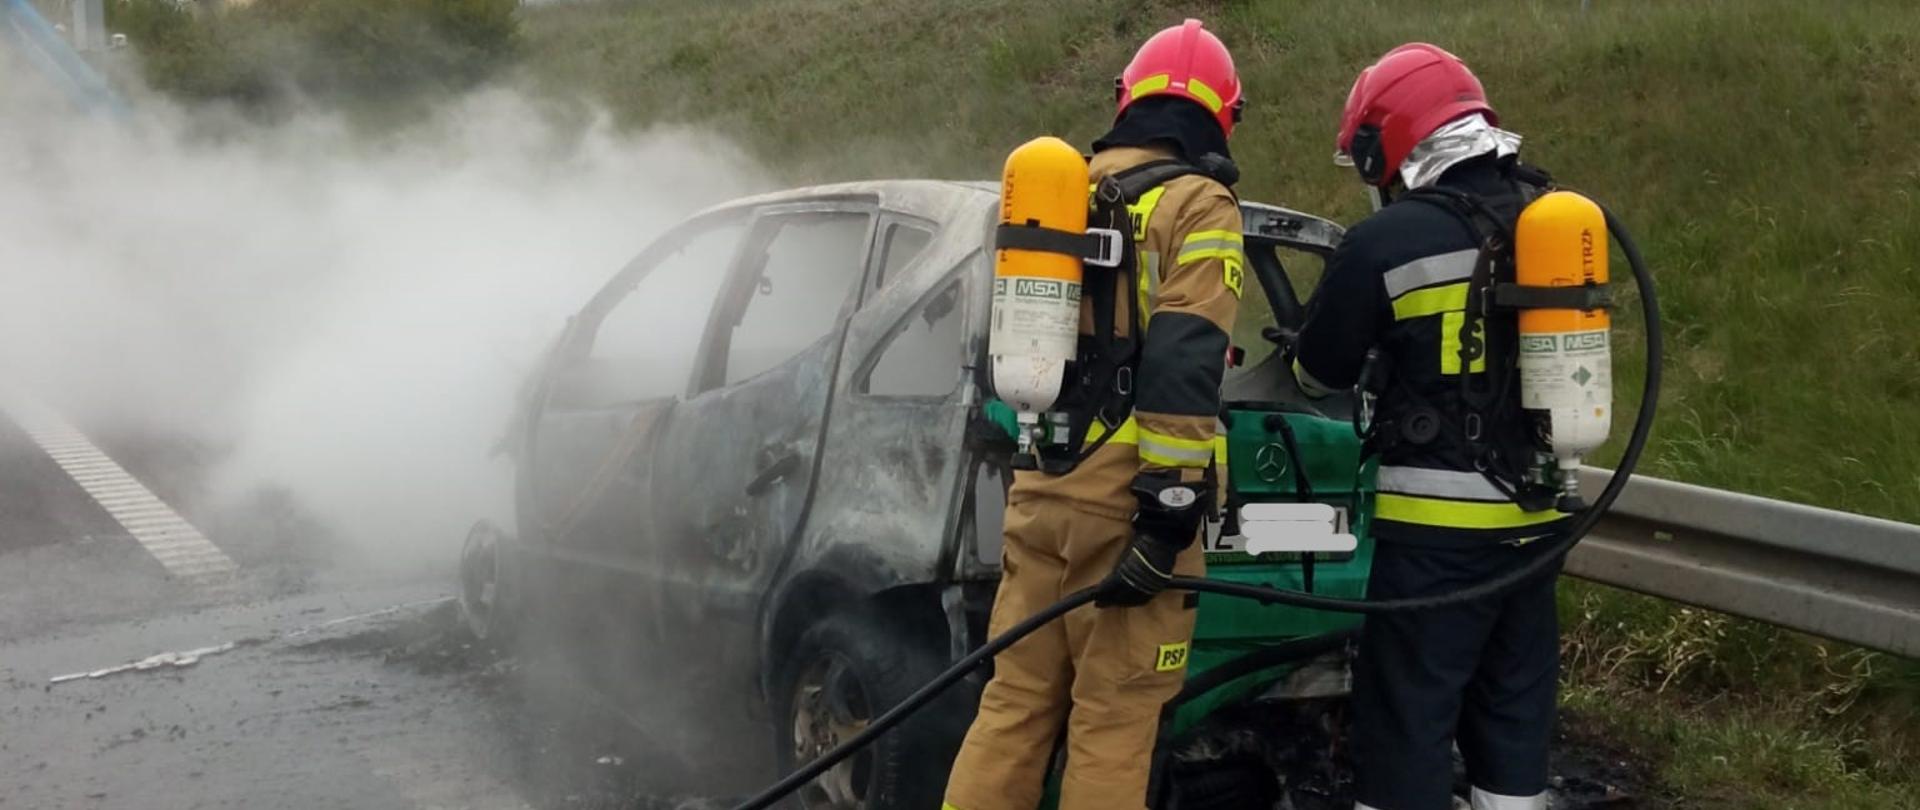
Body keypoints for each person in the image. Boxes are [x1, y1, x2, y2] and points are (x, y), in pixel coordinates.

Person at [942, 18, 1247, 810]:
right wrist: (1169, 510)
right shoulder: (1198, 204)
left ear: (1125, 100)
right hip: (1130, 507)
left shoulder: (1055, 192)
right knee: (1113, 721)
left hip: (1042, 488)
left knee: (1013, 707)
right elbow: (1185, 360)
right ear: (1224, 115)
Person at [1292, 43, 1569, 810]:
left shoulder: (1387, 241)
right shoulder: (1549, 219)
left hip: (1435, 540)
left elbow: (1320, 372)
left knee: (1407, 722)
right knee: (1513, 722)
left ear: (1393, 141)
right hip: (1536, 528)